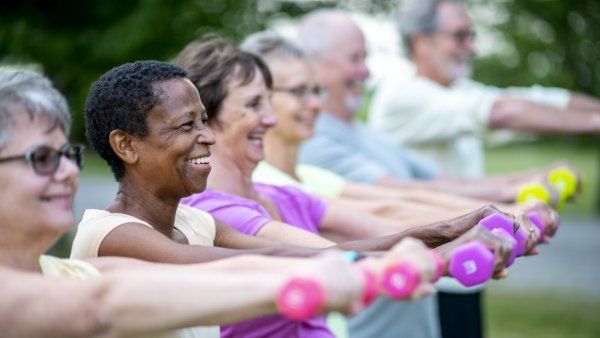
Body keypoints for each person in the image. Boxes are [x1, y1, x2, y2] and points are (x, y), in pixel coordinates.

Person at [73, 59, 487, 338]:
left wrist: (439, 235)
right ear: (127, 146)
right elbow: (259, 263)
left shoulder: (194, 223)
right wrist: (431, 260)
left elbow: (298, 251)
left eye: (204, 120)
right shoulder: (114, 234)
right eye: (186, 125)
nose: (207, 136)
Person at [173, 37, 525, 338]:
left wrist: (470, 225)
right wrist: (444, 259)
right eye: (253, 104)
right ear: (205, 118)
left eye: (269, 100)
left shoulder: (281, 195)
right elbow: (336, 258)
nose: (271, 117)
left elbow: (384, 225)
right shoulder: (214, 209)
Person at [0, 70, 366, 337]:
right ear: (126, 146)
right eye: (42, 158)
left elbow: (238, 271)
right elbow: (102, 305)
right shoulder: (109, 242)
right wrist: (331, 273)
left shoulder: (79, 275)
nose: (67, 170)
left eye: (67, 154)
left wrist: (392, 250)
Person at [242, 30, 559, 235]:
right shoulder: (264, 183)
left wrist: (507, 208)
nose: (315, 104)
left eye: (316, 91)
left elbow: (405, 196)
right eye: (299, 92)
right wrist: (497, 216)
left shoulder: (308, 173)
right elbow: (383, 211)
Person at [369, 0, 600, 178]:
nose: (471, 47)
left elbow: (536, 100)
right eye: (460, 36)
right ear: (420, 42)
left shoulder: (457, 90)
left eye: (472, 36)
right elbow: (500, 112)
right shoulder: (401, 93)